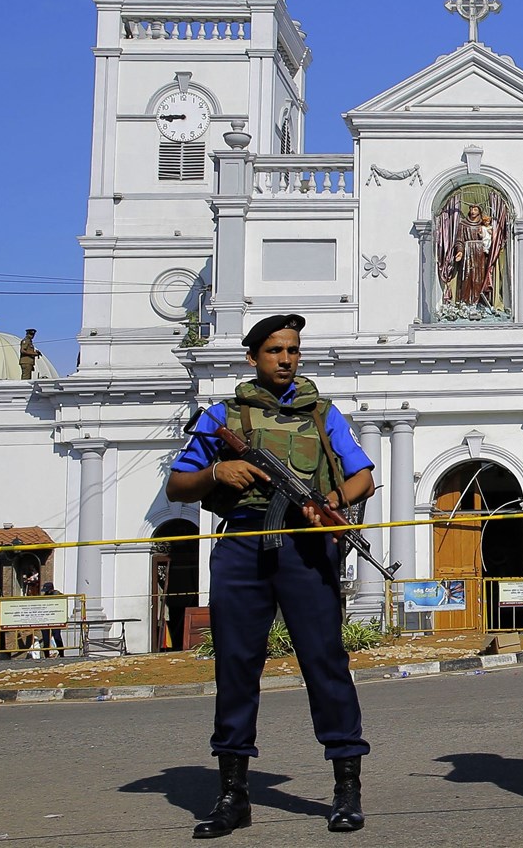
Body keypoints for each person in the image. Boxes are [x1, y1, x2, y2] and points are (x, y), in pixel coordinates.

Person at [167, 313, 376, 838]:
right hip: (242, 545)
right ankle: (233, 793)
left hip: (305, 550)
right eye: (275, 350)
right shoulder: (221, 417)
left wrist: (329, 501)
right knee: (235, 667)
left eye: (293, 350)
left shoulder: (323, 414)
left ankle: (346, 786)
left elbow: (364, 477)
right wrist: (217, 472)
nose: (286, 359)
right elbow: (177, 484)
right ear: (253, 357)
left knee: (325, 662)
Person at [38, 582, 65, 658]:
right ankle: (46, 655)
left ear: (51, 589)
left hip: (56, 619)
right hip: (46, 620)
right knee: (46, 639)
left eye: (47, 590)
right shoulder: (44, 597)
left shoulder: (58, 595)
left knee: (57, 637)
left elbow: (62, 605)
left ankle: (61, 653)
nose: (46, 592)